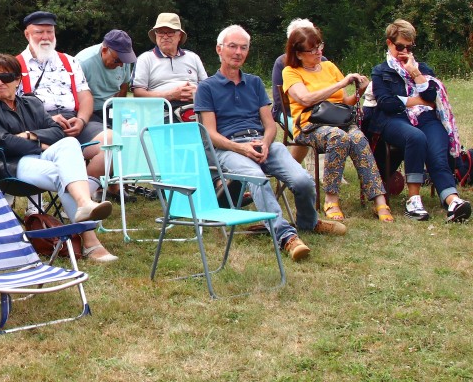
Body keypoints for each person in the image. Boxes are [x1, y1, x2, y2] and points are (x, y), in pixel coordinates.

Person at [195, 25, 346, 261]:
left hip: (261, 143)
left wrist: (265, 143)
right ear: (219, 49)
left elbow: (270, 125)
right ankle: (285, 235)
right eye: (232, 46)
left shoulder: (255, 83)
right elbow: (211, 134)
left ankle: (308, 223)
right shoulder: (206, 87)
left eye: (243, 48)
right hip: (228, 148)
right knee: (258, 179)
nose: (238, 52)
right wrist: (241, 148)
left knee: (302, 180)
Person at [0, 53, 118, 263]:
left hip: (39, 158)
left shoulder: (31, 103)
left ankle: (84, 202)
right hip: (10, 165)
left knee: (70, 143)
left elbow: (58, 132)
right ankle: (91, 241)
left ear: (17, 80)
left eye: (5, 77)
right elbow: (4, 143)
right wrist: (39, 144)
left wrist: (29, 135)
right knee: (63, 175)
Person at [283, 25, 394, 222]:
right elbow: (305, 99)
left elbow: (347, 102)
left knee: (358, 138)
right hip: (309, 125)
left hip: (338, 121)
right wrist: (341, 83)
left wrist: (360, 91)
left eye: (320, 46)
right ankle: (331, 199)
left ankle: (379, 199)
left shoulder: (329, 67)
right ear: (298, 54)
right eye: (312, 49)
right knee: (339, 137)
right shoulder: (291, 72)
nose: (319, 52)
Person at [364, 20, 470, 222]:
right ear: (389, 43)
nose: (404, 51)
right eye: (400, 46)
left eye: (409, 47)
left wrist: (414, 72)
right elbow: (387, 103)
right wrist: (418, 101)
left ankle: (452, 201)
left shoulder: (423, 68)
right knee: (416, 137)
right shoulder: (380, 71)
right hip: (393, 120)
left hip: (425, 118)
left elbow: (431, 95)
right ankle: (413, 200)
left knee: (437, 150)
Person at [17, 11, 108, 191]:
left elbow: (85, 96)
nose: (45, 37)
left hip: (74, 122)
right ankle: (78, 195)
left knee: (111, 143)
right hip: (39, 126)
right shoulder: (15, 65)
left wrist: (81, 120)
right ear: (27, 34)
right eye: (39, 32)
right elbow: (12, 106)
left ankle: (81, 192)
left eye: (50, 31)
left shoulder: (70, 61)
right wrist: (47, 120)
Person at [132, 13, 207, 115]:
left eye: (170, 32)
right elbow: (138, 94)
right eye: (160, 32)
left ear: (179, 36)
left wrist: (197, 92)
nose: (165, 37)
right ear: (156, 35)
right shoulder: (145, 59)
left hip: (196, 111)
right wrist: (171, 95)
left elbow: (207, 88)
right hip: (162, 114)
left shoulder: (193, 57)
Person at [74, 30, 136, 124]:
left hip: (112, 106)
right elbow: (73, 95)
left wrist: (118, 110)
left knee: (131, 128)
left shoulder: (123, 61)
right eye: (117, 61)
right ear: (104, 50)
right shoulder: (82, 62)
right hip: (88, 110)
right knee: (105, 131)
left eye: (124, 61)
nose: (121, 65)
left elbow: (124, 87)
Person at [270, 18, 325, 123]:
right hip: (290, 113)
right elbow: (279, 100)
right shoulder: (282, 63)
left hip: (323, 110)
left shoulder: (323, 61)